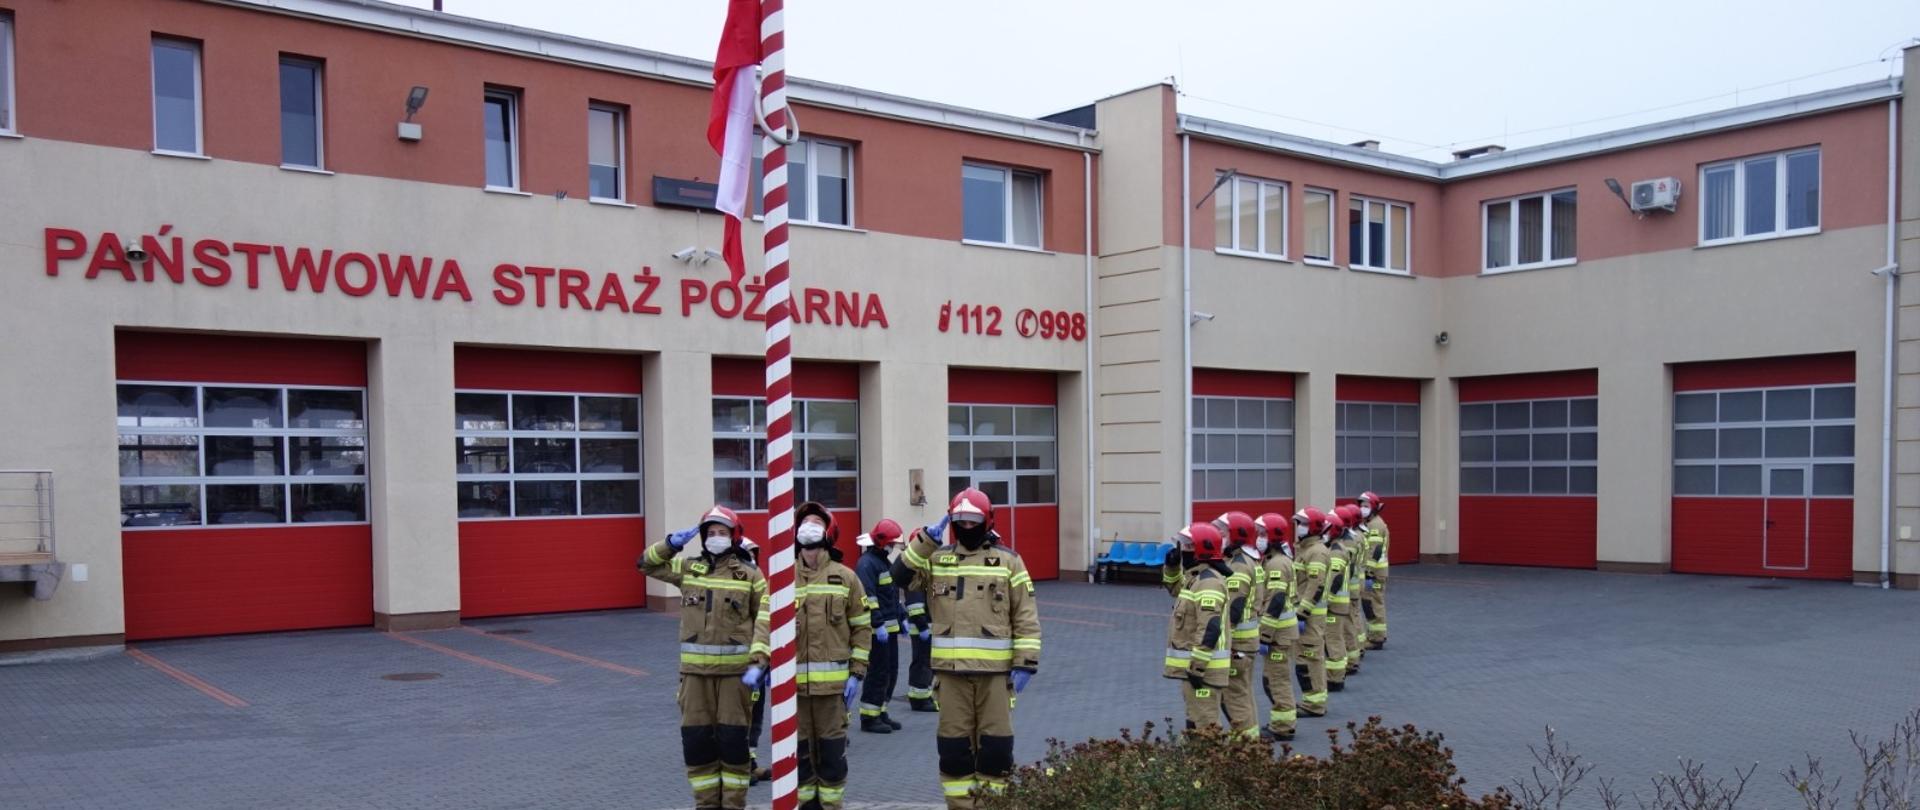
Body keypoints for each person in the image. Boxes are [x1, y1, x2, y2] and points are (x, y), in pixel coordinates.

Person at [893, 488, 1042, 809]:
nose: (968, 527)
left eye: (974, 521)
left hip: (996, 678)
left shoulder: (1008, 562)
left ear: (987, 521)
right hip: (951, 676)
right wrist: (924, 542)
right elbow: (899, 576)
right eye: (960, 521)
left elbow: (1026, 615)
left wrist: (1026, 663)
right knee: (954, 751)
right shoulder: (938, 559)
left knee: (996, 750)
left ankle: (992, 806)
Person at [743, 501, 871, 810]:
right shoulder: (782, 579)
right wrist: (758, 661)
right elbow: (765, 623)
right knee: (799, 757)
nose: (808, 527)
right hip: (792, 691)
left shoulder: (846, 578)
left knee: (831, 757)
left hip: (832, 692)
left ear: (828, 532)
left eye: (815, 522)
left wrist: (857, 672)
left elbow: (862, 628)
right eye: (804, 522)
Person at [639, 505, 767, 810]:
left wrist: (759, 657)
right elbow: (646, 565)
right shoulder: (689, 568)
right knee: (697, 745)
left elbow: (767, 615)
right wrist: (670, 544)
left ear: (734, 536)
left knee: (734, 745)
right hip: (694, 677)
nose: (716, 537)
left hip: (735, 678)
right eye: (711, 533)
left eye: (722, 532)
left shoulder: (750, 574)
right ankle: (706, 805)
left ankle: (734, 805)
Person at [1163, 522, 1232, 729]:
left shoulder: (1208, 582)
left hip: (1204, 671)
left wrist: (1197, 667)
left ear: (1200, 550)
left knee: (1205, 724)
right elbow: (1174, 588)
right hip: (1196, 669)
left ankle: (1212, 761)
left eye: (1187, 546)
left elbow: (1209, 628)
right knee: (1195, 720)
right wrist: (1172, 567)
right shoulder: (1195, 578)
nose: (1182, 550)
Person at [1211, 511, 1263, 738]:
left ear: (1236, 535)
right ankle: (1250, 738)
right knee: (1243, 691)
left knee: (1234, 695)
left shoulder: (1239, 565)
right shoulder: (1243, 560)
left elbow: (1235, 606)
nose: (1219, 535)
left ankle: (1245, 744)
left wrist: (1223, 640)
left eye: (1222, 532)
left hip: (1238, 642)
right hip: (1246, 642)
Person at [854, 518, 907, 733]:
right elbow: (868, 597)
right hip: (878, 631)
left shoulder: (882, 561)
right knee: (877, 672)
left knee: (890, 672)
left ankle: (881, 711)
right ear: (881, 541)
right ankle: (869, 717)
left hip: (890, 629)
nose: (893, 547)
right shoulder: (867, 564)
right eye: (891, 543)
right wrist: (878, 624)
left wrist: (901, 615)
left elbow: (891, 595)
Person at [1253, 512, 1298, 741]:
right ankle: (1281, 721)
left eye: (1262, 533)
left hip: (1278, 634)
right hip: (1279, 633)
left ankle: (1283, 726)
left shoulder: (1278, 564)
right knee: (1272, 679)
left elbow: (1276, 601)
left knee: (1277, 680)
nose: (1258, 538)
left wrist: (1265, 635)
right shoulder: (1273, 560)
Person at [1290, 508, 1332, 717]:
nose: (1299, 528)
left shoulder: (1316, 551)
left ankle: (1315, 704)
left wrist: (1302, 613)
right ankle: (1310, 700)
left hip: (1309, 617)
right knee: (1303, 660)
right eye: (1299, 523)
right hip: (1304, 615)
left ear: (1314, 526)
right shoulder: (1305, 549)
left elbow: (1316, 585)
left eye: (1304, 523)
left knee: (1311, 659)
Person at [1322, 508, 1354, 689]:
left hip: (1334, 605)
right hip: (1338, 604)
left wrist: (1325, 600)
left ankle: (1335, 677)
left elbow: (1335, 579)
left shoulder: (1335, 552)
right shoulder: (1336, 548)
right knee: (1336, 638)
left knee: (1333, 639)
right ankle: (1337, 673)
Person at [1357, 491, 1391, 650]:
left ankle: (1377, 638)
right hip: (1372, 572)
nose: (1362, 508)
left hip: (1375, 574)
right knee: (1368, 602)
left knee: (1374, 602)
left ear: (1374, 508)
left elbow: (1375, 551)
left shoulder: (1376, 525)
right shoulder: (1369, 523)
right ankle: (1374, 634)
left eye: (1366, 506)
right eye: (1361, 505)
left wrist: (1368, 572)